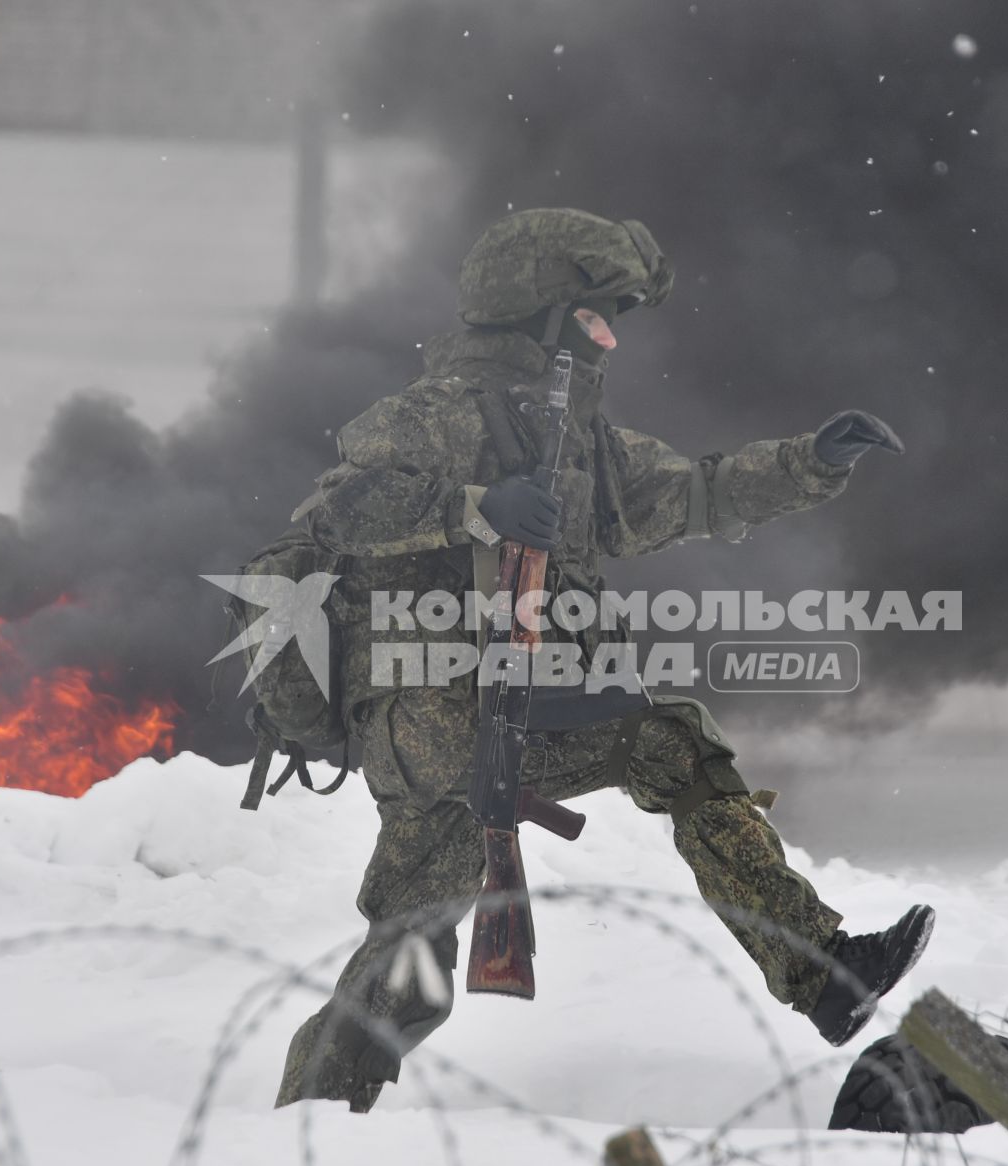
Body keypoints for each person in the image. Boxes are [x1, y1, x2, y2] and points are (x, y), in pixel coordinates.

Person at [275, 208, 933, 1112]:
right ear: (538, 313)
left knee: (424, 951)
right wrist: (479, 506)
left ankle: (821, 974)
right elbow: (338, 515)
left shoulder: (575, 434)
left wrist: (811, 461)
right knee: (649, 755)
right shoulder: (430, 417)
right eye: (595, 316)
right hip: (427, 718)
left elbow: (693, 493)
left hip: (505, 709)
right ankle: (822, 972)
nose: (611, 337)